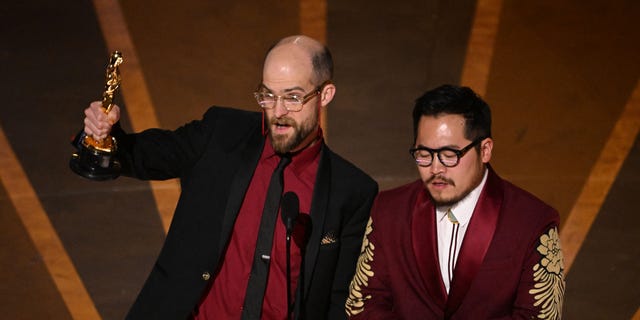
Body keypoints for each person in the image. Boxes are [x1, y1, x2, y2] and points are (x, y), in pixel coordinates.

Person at [79, 35, 378, 320]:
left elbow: (340, 303)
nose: (278, 111)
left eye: (293, 98)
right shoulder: (222, 134)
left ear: (325, 94)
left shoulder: (351, 192)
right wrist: (105, 136)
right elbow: (145, 155)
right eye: (268, 96)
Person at [345, 84, 565, 319]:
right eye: (423, 154)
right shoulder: (388, 211)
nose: (435, 168)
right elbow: (362, 303)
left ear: (485, 149)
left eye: (450, 155)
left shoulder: (533, 222)